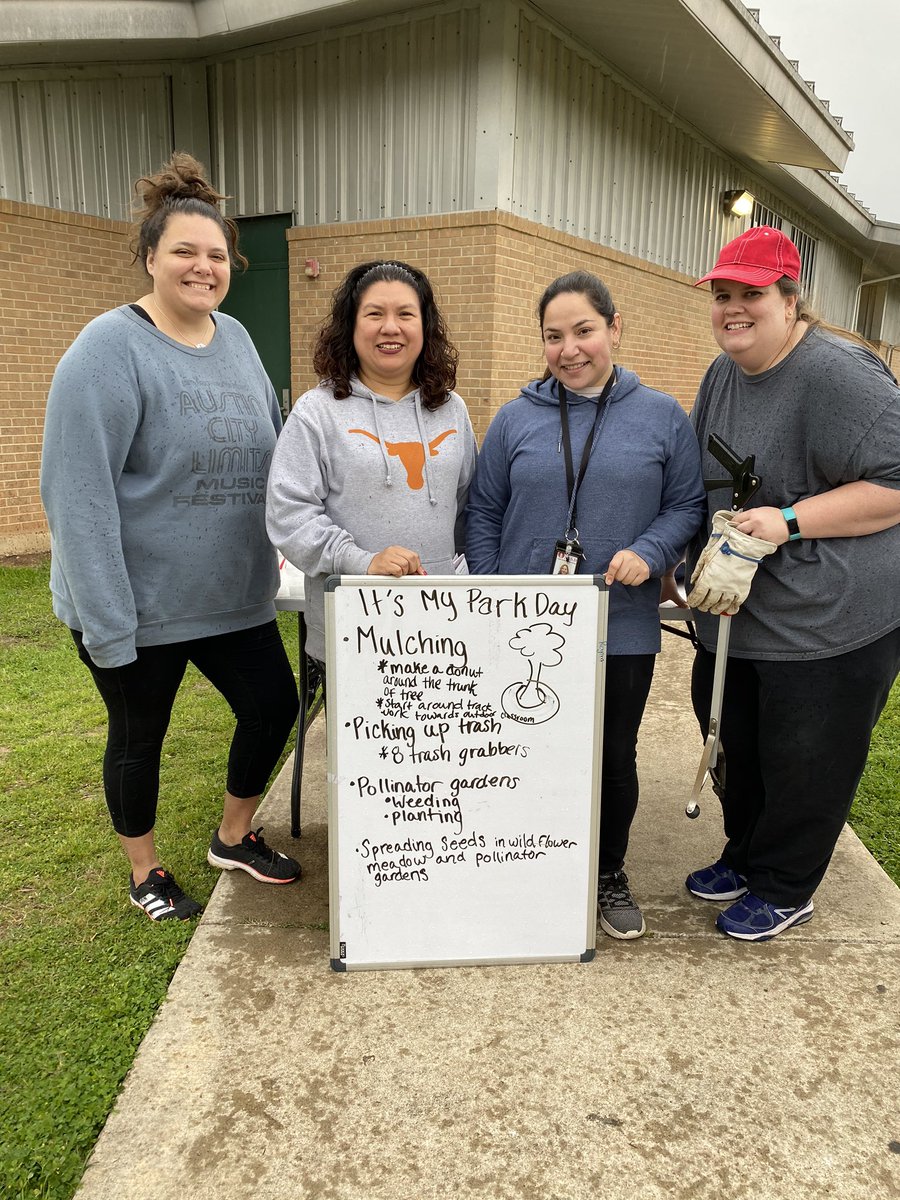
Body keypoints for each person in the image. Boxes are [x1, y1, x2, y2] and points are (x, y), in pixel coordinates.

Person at [40, 153, 301, 922]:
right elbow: (77, 497)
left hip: (229, 596)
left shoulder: (240, 341)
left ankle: (233, 835)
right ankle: (146, 872)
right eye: (184, 251)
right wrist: (109, 622)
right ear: (150, 257)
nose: (202, 267)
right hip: (135, 602)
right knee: (138, 736)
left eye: (216, 254)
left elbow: (273, 449)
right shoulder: (106, 351)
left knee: (271, 707)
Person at [465, 270, 706, 939]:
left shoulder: (662, 417)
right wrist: (490, 592)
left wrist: (652, 551)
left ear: (614, 328)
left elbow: (687, 504)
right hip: (521, 624)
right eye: (553, 336)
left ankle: (606, 872)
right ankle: (518, 863)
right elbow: (483, 512)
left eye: (584, 331)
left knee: (610, 754)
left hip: (618, 624)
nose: (570, 349)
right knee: (519, 746)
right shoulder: (515, 418)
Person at [685, 225, 900, 941]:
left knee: (804, 756)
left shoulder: (841, 374)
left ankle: (785, 883)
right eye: (723, 295)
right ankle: (745, 856)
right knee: (735, 742)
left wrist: (790, 520)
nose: (733, 309)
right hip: (741, 609)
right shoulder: (724, 372)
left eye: (751, 294)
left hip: (833, 617)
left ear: (789, 299)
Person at [266, 260, 476, 668]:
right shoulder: (318, 411)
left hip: (442, 628)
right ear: (351, 325)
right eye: (374, 314)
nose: (390, 328)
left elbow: (469, 509)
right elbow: (289, 514)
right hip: (355, 631)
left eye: (405, 314)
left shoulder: (452, 410)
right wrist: (361, 561)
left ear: (425, 326)